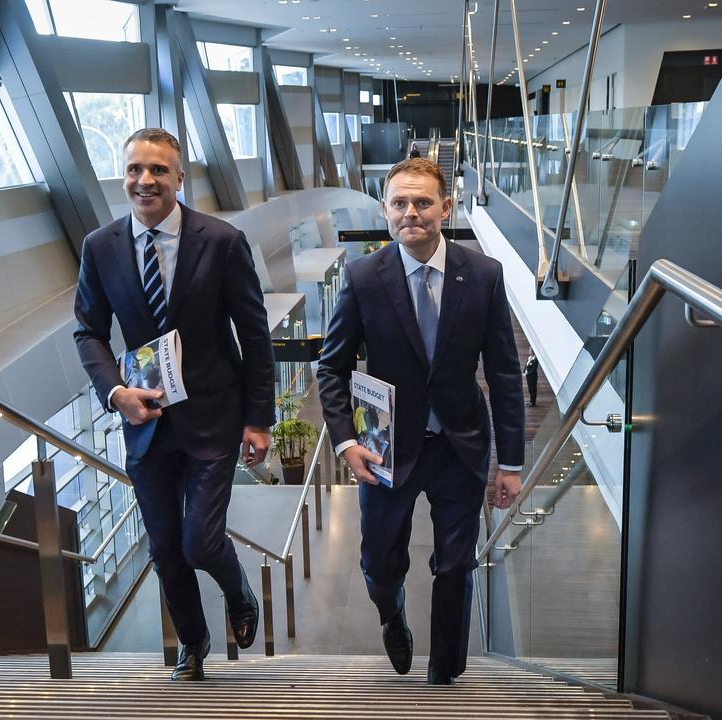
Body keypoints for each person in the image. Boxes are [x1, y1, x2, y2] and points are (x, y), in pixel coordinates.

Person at [74, 128, 275, 681]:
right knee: (165, 549)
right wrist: (116, 392)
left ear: (179, 178)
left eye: (159, 170)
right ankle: (194, 644)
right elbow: (88, 331)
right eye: (136, 169)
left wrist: (259, 419)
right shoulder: (100, 247)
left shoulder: (222, 241)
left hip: (214, 415)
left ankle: (238, 592)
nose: (146, 180)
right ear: (123, 176)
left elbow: (255, 336)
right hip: (146, 423)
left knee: (200, 541)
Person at [317, 158, 524, 685]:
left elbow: (503, 373)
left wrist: (511, 463)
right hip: (385, 448)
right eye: (400, 203)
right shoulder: (364, 276)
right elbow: (332, 368)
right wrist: (345, 443)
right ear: (386, 211)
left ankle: (444, 675)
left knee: (456, 565)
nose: (412, 212)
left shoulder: (483, 275)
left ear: (445, 208)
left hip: (459, 444)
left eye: (423, 202)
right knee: (380, 565)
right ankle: (392, 612)